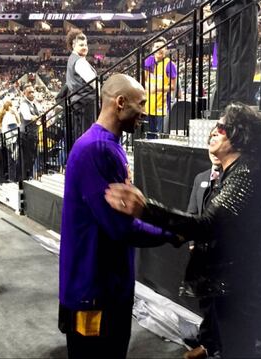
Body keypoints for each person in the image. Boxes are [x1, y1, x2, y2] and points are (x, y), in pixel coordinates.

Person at [105, 102, 261, 358]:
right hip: (230, 287)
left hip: (238, 290)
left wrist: (146, 210)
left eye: (222, 127)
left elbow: (208, 225)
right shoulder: (235, 173)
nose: (214, 131)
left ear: (240, 134)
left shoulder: (245, 173)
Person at [58, 73, 180, 359]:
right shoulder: (98, 148)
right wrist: (173, 233)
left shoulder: (103, 144)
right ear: (121, 102)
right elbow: (121, 227)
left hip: (102, 287)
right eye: (141, 103)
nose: (145, 112)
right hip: (95, 292)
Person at [183, 142, 223, 359]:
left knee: (222, 303)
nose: (214, 153)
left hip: (221, 253)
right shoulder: (200, 178)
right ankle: (209, 343)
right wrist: (191, 244)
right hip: (201, 252)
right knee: (206, 301)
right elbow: (192, 212)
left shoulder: (232, 180)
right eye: (211, 147)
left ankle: (214, 344)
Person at [211, 0, 258, 111]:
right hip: (240, 4)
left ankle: (223, 109)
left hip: (218, 7)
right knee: (241, 53)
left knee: (224, 58)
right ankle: (237, 108)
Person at [65, 29, 97, 141]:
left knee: (80, 134)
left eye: (86, 44)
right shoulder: (79, 61)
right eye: (81, 45)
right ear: (73, 45)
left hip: (79, 102)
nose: (85, 47)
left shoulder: (72, 59)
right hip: (86, 102)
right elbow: (93, 82)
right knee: (87, 135)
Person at [144, 37, 177, 138]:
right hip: (148, 105)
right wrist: (148, 87)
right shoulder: (149, 61)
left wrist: (157, 88)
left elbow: (172, 87)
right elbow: (144, 80)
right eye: (157, 47)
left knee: (161, 136)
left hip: (162, 106)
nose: (160, 49)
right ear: (153, 49)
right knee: (149, 135)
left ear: (166, 49)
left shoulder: (170, 65)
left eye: (162, 47)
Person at [19, 84, 40, 179]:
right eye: (29, 92)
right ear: (24, 93)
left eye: (33, 92)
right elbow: (27, 116)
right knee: (27, 158)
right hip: (26, 135)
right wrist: (36, 117)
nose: (32, 94)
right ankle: (26, 178)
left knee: (33, 156)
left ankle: (30, 176)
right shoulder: (23, 104)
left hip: (33, 134)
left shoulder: (34, 104)